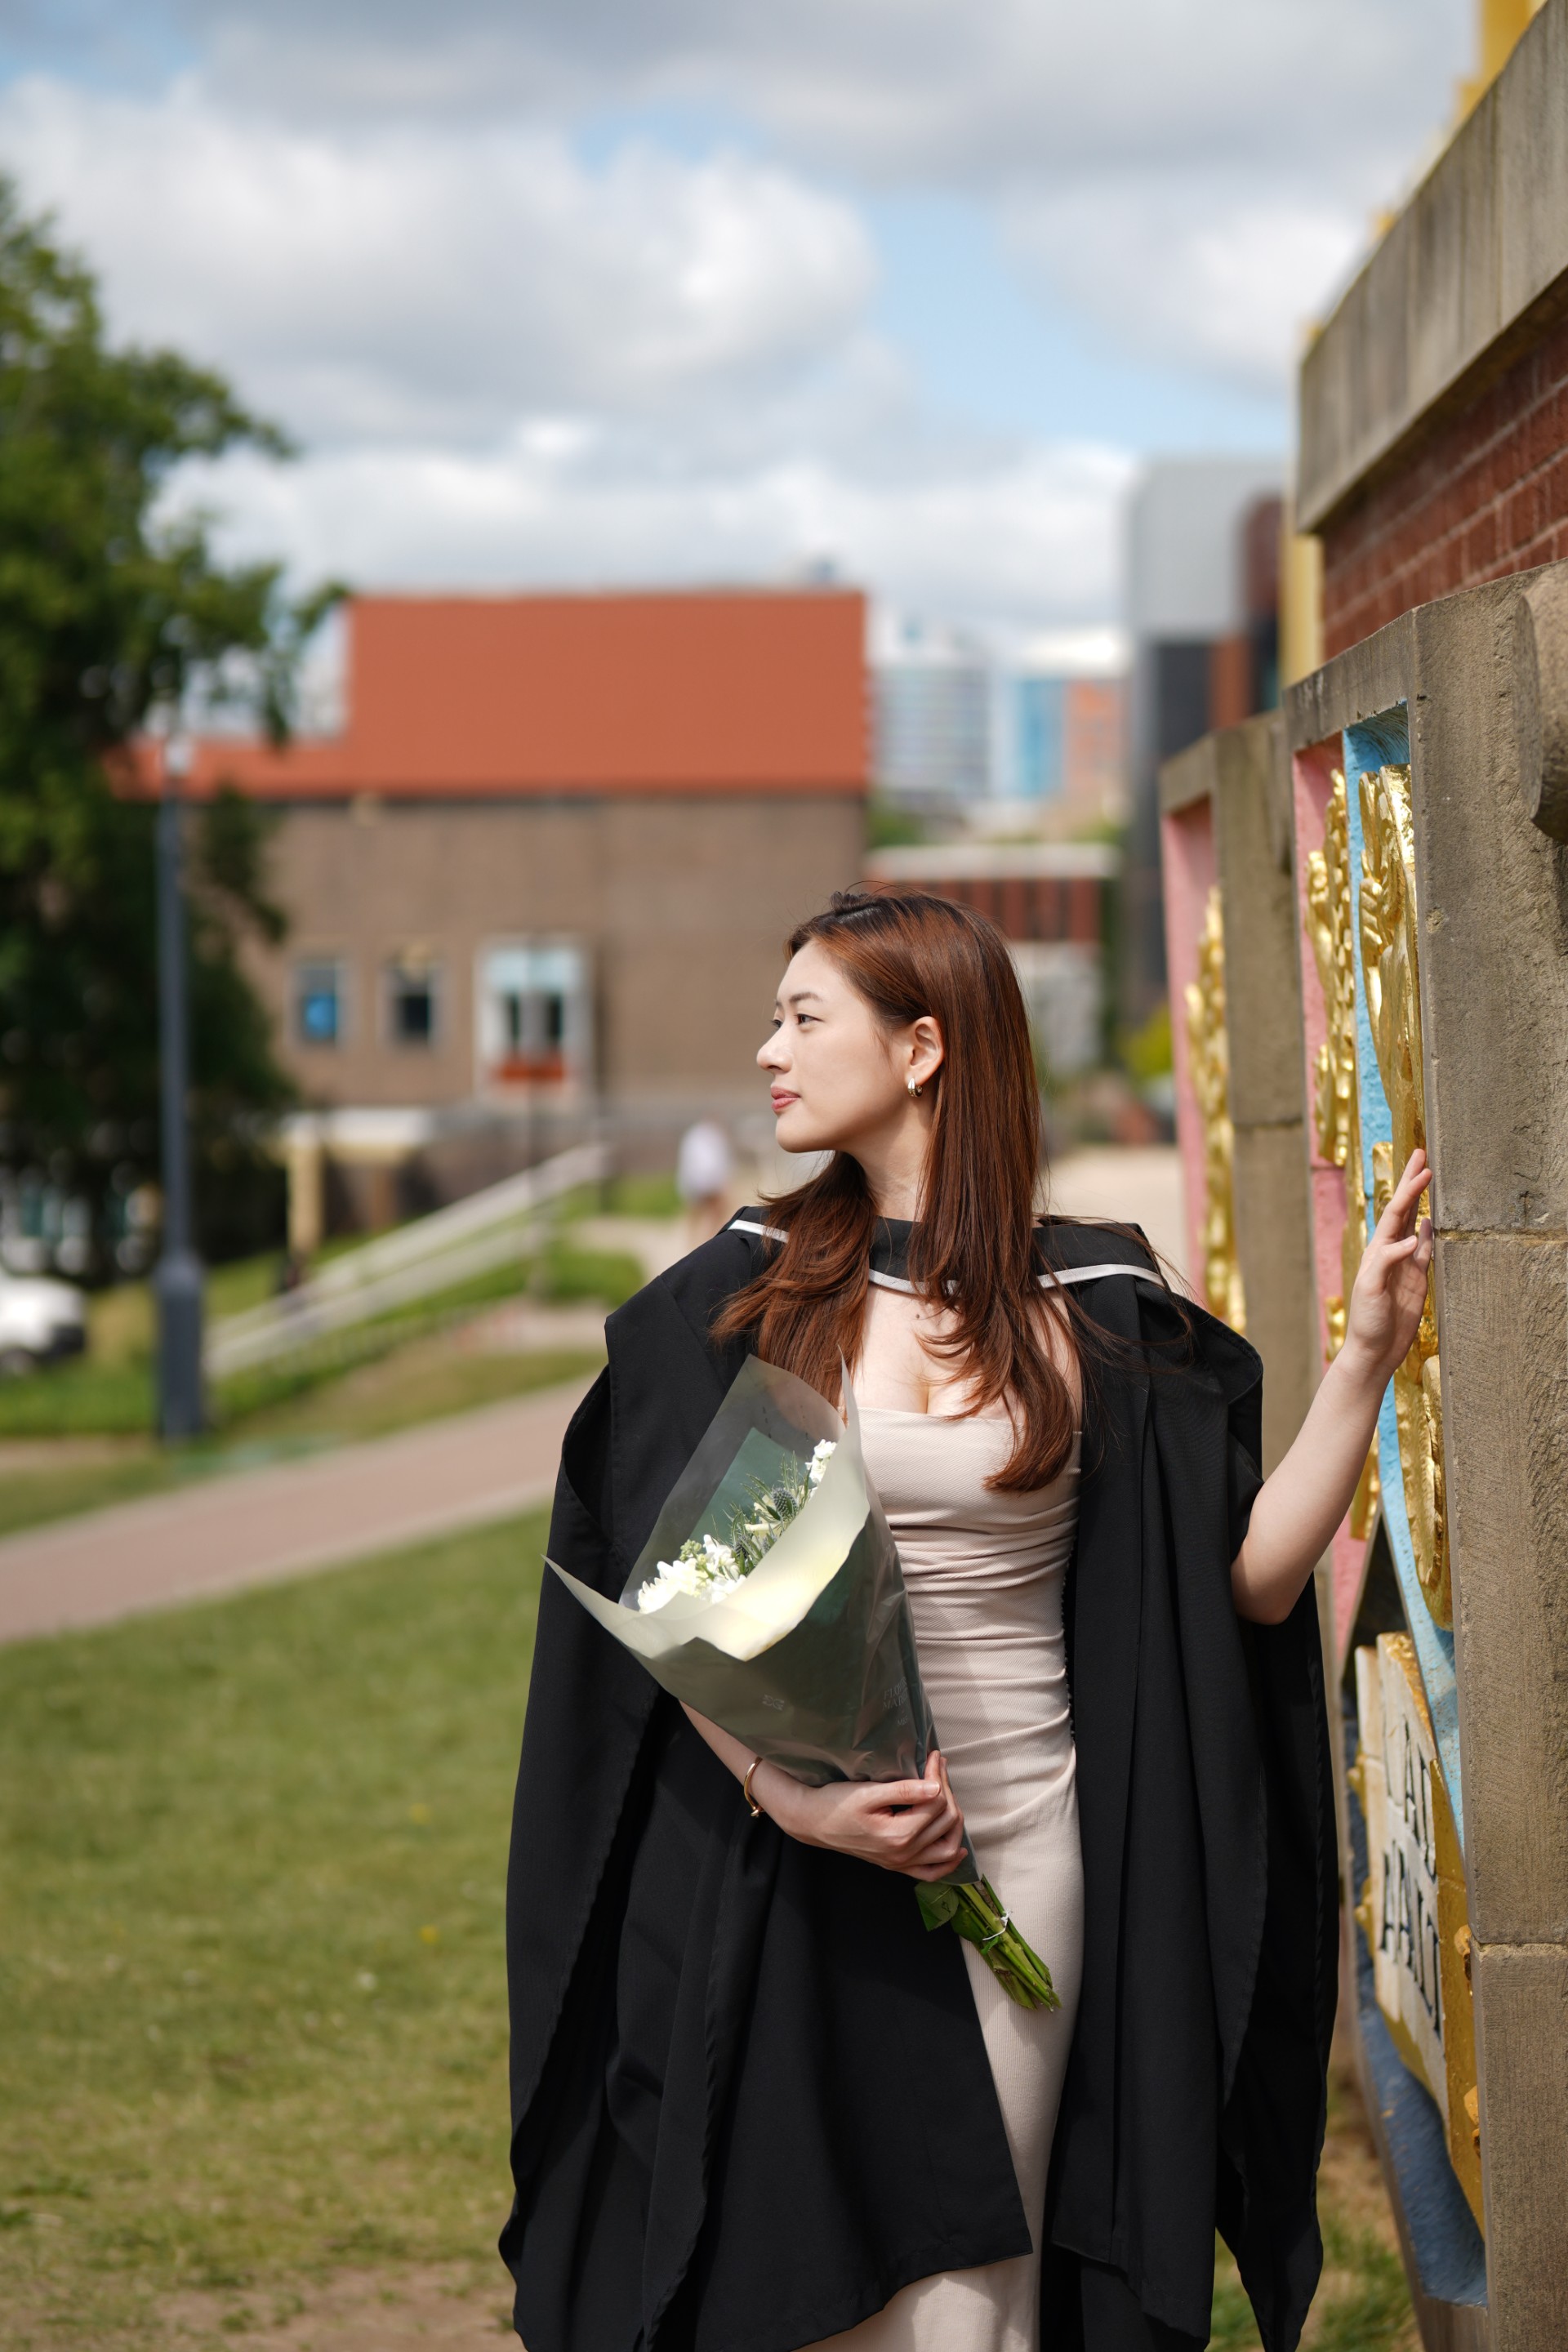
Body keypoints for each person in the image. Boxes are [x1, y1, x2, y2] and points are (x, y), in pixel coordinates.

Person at [501, 890, 1433, 2352]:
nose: (769, 1051)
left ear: (923, 1046)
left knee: (975, 2309)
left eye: (805, 1019)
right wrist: (796, 1807)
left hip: (1027, 1851)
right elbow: (674, 1607)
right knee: (813, 2300)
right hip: (807, 1869)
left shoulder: (1091, 1301)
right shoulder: (749, 1298)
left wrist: (1366, 1357)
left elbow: (1246, 1581)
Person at [675, 1116, 735, 1246]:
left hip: (696, 1181)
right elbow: (714, 1163)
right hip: (707, 1181)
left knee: (698, 1213)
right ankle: (707, 1239)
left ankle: (695, 1240)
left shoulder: (695, 1136)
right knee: (714, 1211)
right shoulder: (709, 1137)